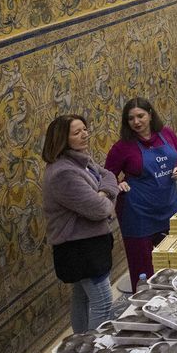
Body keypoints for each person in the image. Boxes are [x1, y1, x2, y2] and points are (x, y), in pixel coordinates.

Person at [39, 114, 120, 333]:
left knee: (82, 298)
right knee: (103, 304)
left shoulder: (82, 161)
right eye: (77, 132)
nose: (85, 134)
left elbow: (109, 175)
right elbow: (100, 209)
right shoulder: (63, 173)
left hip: (89, 244)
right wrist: (106, 197)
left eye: (85, 129)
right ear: (62, 139)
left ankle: (81, 348)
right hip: (80, 249)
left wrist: (103, 191)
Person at [104, 97, 177, 288]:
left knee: (174, 261)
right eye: (131, 119)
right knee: (143, 269)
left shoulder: (166, 134)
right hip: (138, 214)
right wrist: (117, 185)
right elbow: (107, 176)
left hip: (170, 207)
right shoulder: (122, 147)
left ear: (150, 114)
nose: (136, 122)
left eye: (140, 116)